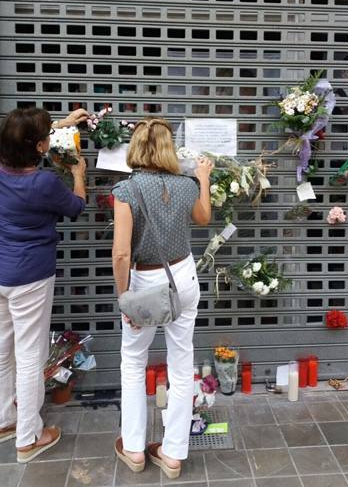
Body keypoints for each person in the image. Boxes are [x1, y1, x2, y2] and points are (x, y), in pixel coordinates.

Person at [0, 107, 88, 463]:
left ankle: (1, 423)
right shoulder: (42, 183)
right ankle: (29, 437)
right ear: (40, 146)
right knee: (29, 356)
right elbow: (76, 206)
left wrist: (62, 125)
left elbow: (19, 139)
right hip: (27, 278)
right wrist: (79, 172)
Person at [112, 117, 212, 480]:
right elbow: (203, 218)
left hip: (144, 281)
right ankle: (172, 454)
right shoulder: (186, 186)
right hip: (183, 276)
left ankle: (135, 448)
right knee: (181, 363)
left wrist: (125, 298)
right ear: (169, 149)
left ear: (136, 147)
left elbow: (121, 255)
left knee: (133, 361)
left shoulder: (125, 191)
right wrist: (203, 176)